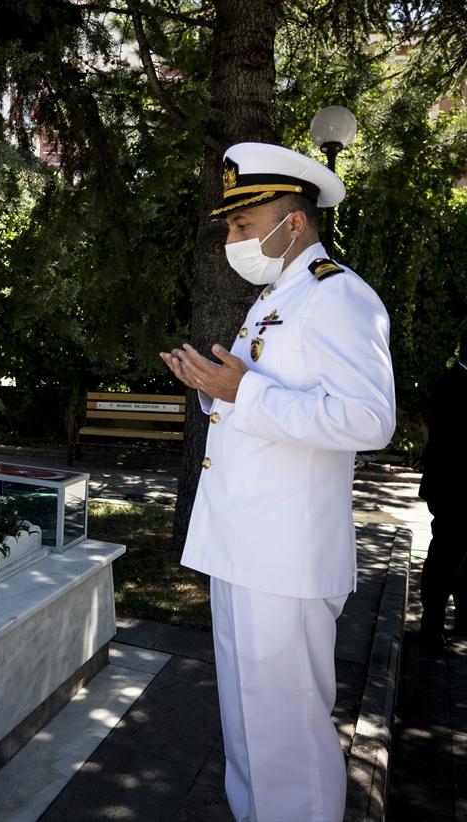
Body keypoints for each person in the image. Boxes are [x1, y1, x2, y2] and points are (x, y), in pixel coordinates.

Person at [159, 142, 396, 822]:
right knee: (247, 727)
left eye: (242, 224)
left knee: (287, 735)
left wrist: (244, 393)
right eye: (230, 227)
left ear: (293, 222)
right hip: (244, 545)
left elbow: (369, 419)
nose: (232, 239)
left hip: (287, 557)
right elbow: (258, 399)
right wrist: (215, 391)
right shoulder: (272, 299)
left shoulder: (338, 296)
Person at [418, 326, 467, 653]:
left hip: (454, 485)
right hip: (454, 488)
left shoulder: (452, 382)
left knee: (457, 555)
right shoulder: (453, 384)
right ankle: (431, 624)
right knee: (446, 555)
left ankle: (458, 619)